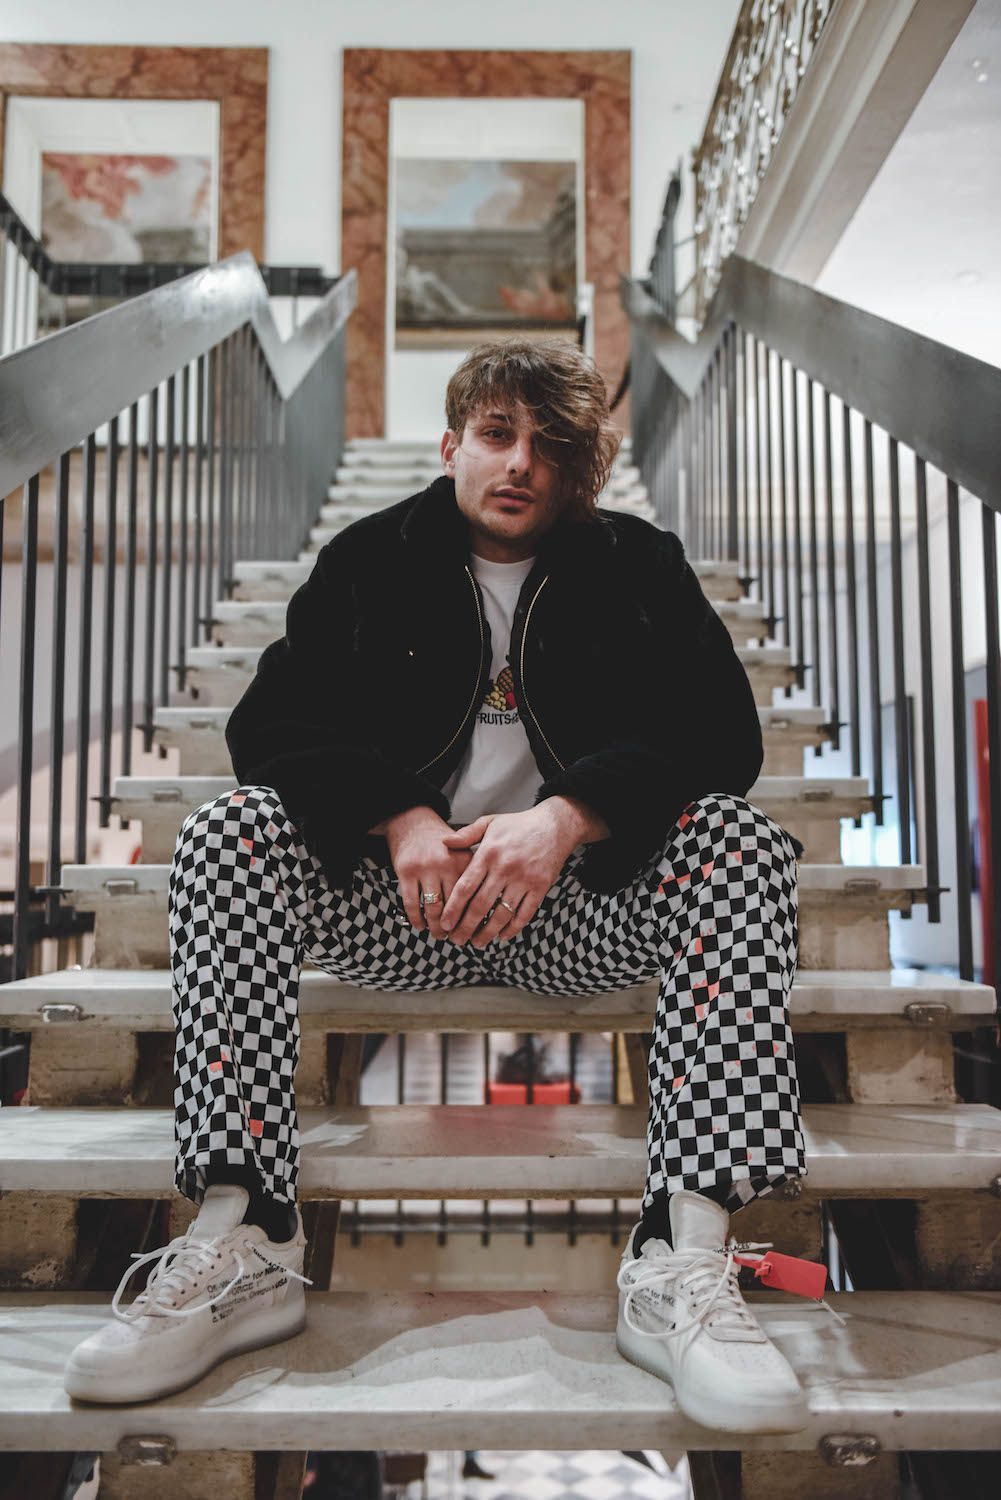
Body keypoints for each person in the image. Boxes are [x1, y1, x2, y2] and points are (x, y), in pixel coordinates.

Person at [63, 338, 807, 1434]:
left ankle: (681, 1254)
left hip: (576, 915)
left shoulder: (637, 564)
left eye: (550, 446)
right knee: (230, 832)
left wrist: (567, 817)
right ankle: (245, 1229)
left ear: (577, 466)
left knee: (739, 841)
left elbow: (719, 736)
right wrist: (398, 815)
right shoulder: (371, 558)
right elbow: (270, 727)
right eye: (498, 435)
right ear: (452, 443)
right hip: (399, 911)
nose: (522, 465)